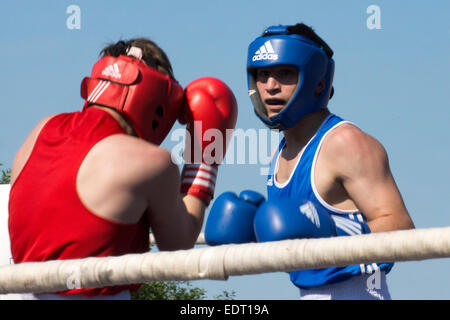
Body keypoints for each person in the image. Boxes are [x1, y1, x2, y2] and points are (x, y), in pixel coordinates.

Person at [8, 38, 237, 299]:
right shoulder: (151, 162)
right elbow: (179, 246)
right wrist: (204, 156)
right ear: (160, 100)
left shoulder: (40, 130)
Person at [205, 23, 414, 300]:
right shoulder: (277, 156)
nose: (270, 86)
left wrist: (329, 231)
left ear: (317, 81)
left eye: (285, 73)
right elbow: (295, 242)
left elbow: (402, 228)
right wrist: (257, 237)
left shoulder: (345, 142)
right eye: (263, 74)